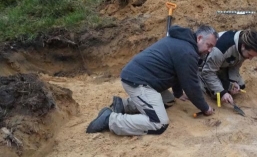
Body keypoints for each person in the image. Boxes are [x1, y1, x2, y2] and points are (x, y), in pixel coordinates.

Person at [86, 25, 219, 135]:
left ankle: (123, 105)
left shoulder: (182, 43)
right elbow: (191, 86)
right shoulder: (187, 52)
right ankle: (110, 119)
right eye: (209, 45)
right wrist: (205, 108)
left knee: (168, 100)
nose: (209, 50)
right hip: (138, 82)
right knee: (158, 123)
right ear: (200, 38)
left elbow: (179, 73)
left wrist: (178, 94)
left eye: (212, 47)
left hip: (143, 78)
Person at [200, 29, 257, 105]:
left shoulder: (243, 45)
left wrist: (233, 81)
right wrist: (222, 92)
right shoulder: (221, 49)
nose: (250, 59)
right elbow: (208, 72)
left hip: (222, 65)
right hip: (205, 66)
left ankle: (224, 84)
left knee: (240, 86)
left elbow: (235, 64)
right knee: (215, 92)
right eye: (250, 55)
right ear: (243, 46)